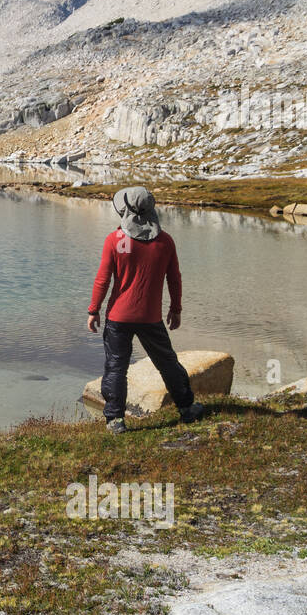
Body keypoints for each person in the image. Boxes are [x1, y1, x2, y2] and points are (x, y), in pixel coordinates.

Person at [86, 186, 205, 434]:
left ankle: (115, 420)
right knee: (167, 363)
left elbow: (102, 280)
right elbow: (175, 279)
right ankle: (186, 408)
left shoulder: (114, 240)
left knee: (116, 366)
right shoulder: (165, 242)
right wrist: (176, 308)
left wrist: (93, 310)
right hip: (151, 318)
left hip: (118, 317)